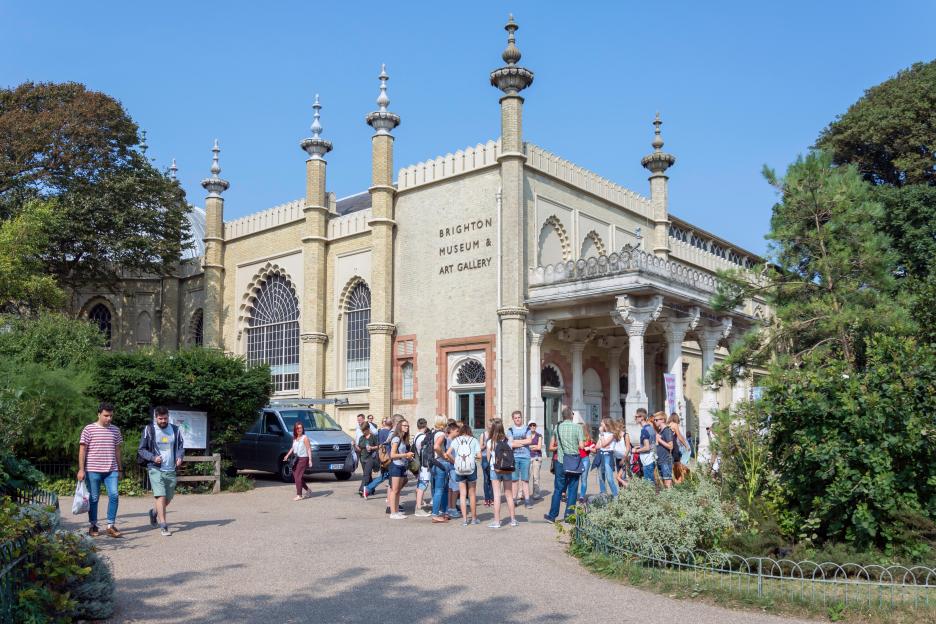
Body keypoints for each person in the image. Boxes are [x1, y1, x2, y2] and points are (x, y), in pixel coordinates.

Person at [77, 402, 124, 538]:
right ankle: (93, 525)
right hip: (93, 470)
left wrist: (120, 469)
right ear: (99, 414)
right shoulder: (89, 429)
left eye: (111, 416)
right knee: (94, 498)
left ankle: (110, 525)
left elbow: (117, 450)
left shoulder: (115, 430)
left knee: (114, 495)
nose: (109, 418)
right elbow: (82, 450)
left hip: (112, 470)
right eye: (106, 415)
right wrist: (81, 469)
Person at [137, 406, 185, 536]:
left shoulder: (175, 430)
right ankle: (163, 525)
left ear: (168, 417)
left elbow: (180, 446)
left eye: (165, 418)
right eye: (160, 418)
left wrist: (180, 457)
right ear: (155, 417)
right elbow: (141, 449)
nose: (163, 421)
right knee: (161, 495)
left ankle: (154, 512)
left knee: (168, 498)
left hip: (171, 469)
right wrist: (153, 457)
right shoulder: (149, 430)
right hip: (155, 468)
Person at [545, 407, 585, 522]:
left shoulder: (557, 428)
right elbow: (581, 446)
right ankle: (569, 516)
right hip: (574, 462)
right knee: (573, 489)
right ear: (572, 416)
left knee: (558, 489)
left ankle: (552, 516)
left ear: (562, 416)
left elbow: (552, 445)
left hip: (561, 461)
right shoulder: (578, 428)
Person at [445, 422, 481, 526]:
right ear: (469, 432)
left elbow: (447, 453)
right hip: (471, 468)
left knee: (462, 494)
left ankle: (465, 520)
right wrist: (473, 460)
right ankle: (474, 519)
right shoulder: (474, 440)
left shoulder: (456, 440)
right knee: (472, 494)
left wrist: (455, 460)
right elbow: (479, 456)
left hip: (459, 468)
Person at [486, 418, 518, 528]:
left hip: (495, 470)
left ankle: (497, 521)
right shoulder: (508, 440)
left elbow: (488, 458)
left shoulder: (490, 442)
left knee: (497, 495)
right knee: (509, 495)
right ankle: (513, 520)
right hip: (507, 469)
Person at [506, 410, 534, 509]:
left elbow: (529, 440)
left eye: (519, 417)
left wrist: (516, 441)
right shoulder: (510, 430)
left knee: (525, 480)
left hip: (525, 457)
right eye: (516, 418)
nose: (518, 419)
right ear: (513, 419)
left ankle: (527, 500)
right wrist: (523, 442)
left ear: (522, 418)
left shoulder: (527, 429)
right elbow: (510, 444)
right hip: (514, 457)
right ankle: (514, 500)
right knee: (514, 480)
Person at [387, 419, 414, 519]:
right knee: (394, 490)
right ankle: (393, 513)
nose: (406, 427)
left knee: (398, 490)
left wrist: (407, 456)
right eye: (404, 425)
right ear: (399, 426)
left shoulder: (403, 439)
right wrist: (405, 454)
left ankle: (396, 511)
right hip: (395, 466)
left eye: (407, 425)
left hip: (402, 465)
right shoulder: (396, 439)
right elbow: (392, 454)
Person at [431, 419, 456, 523]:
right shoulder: (441, 434)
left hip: (437, 463)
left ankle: (444, 512)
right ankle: (435, 514)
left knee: (444, 489)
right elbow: (436, 447)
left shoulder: (434, 433)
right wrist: (444, 455)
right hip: (441, 463)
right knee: (440, 490)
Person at [363, 417, 394, 499]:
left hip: (381, 457)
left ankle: (368, 489)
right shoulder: (390, 433)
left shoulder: (379, 432)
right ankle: (391, 497)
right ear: (392, 424)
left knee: (383, 476)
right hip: (389, 457)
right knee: (390, 476)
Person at [282, 420, 313, 501]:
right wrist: (287, 455)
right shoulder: (295, 438)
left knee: (298, 477)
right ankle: (308, 490)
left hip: (303, 459)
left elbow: (308, 449)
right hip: (296, 458)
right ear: (295, 430)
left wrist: (310, 460)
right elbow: (292, 448)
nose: (299, 429)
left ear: (302, 429)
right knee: (296, 476)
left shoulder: (305, 438)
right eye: (297, 428)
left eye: (300, 428)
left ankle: (299, 495)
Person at [412, 418, 432, 516]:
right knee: (422, 485)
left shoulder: (416, 435)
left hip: (420, 463)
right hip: (425, 464)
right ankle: (418, 508)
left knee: (420, 484)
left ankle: (418, 504)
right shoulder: (423, 437)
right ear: (426, 425)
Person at [595, 417, 619, 497]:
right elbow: (597, 446)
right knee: (601, 478)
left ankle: (616, 496)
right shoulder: (602, 435)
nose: (601, 424)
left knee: (609, 478)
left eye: (602, 422)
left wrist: (602, 436)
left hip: (608, 456)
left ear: (606, 424)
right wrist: (604, 444)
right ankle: (603, 495)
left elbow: (604, 444)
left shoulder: (612, 435)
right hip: (600, 455)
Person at [632, 408, 656, 484]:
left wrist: (635, 450)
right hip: (652, 458)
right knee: (651, 483)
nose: (635, 418)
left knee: (649, 486)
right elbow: (651, 444)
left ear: (642, 417)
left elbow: (647, 447)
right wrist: (639, 446)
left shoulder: (644, 430)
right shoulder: (650, 428)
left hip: (647, 460)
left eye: (636, 417)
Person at [653, 411, 675, 489]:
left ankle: (671, 500)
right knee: (663, 484)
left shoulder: (667, 430)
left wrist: (659, 440)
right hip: (661, 460)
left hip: (666, 460)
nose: (655, 421)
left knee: (668, 484)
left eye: (656, 420)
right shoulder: (661, 431)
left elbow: (670, 446)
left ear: (662, 420)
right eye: (654, 420)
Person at [357, 425, 379, 498]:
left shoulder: (373, 437)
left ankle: (362, 489)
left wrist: (371, 447)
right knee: (368, 474)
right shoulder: (361, 438)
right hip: (363, 458)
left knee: (366, 474)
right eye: (362, 431)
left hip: (370, 458)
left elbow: (378, 446)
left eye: (364, 430)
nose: (363, 432)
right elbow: (359, 448)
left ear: (368, 429)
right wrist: (354, 446)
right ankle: (372, 489)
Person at [578, 423, 597, 500]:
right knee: (575, 478)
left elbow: (595, 450)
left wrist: (589, 448)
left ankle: (582, 496)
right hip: (576, 459)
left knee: (584, 478)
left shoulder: (589, 438)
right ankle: (571, 495)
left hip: (585, 459)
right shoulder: (576, 438)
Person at [612, 420, 632, 489]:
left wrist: (623, 459)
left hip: (625, 458)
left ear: (618, 427)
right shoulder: (615, 436)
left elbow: (628, 448)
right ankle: (621, 492)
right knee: (619, 477)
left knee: (622, 477)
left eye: (614, 427)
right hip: (617, 458)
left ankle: (626, 492)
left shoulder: (625, 435)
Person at [479, 424, 495, 507]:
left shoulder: (495, 434)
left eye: (491, 427)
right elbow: (480, 448)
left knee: (493, 479)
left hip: (493, 457)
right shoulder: (483, 434)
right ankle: (486, 498)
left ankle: (492, 498)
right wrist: (486, 444)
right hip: (485, 457)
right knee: (486, 479)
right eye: (488, 427)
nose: (489, 428)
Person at [528, 422, 544, 499]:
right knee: (526, 476)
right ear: (528, 426)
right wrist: (534, 446)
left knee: (536, 476)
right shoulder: (526, 435)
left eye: (534, 425)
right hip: (528, 457)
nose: (532, 426)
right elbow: (525, 445)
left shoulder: (539, 435)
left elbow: (539, 447)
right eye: (531, 425)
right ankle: (524, 494)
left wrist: (530, 446)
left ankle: (536, 494)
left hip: (537, 457)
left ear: (536, 426)